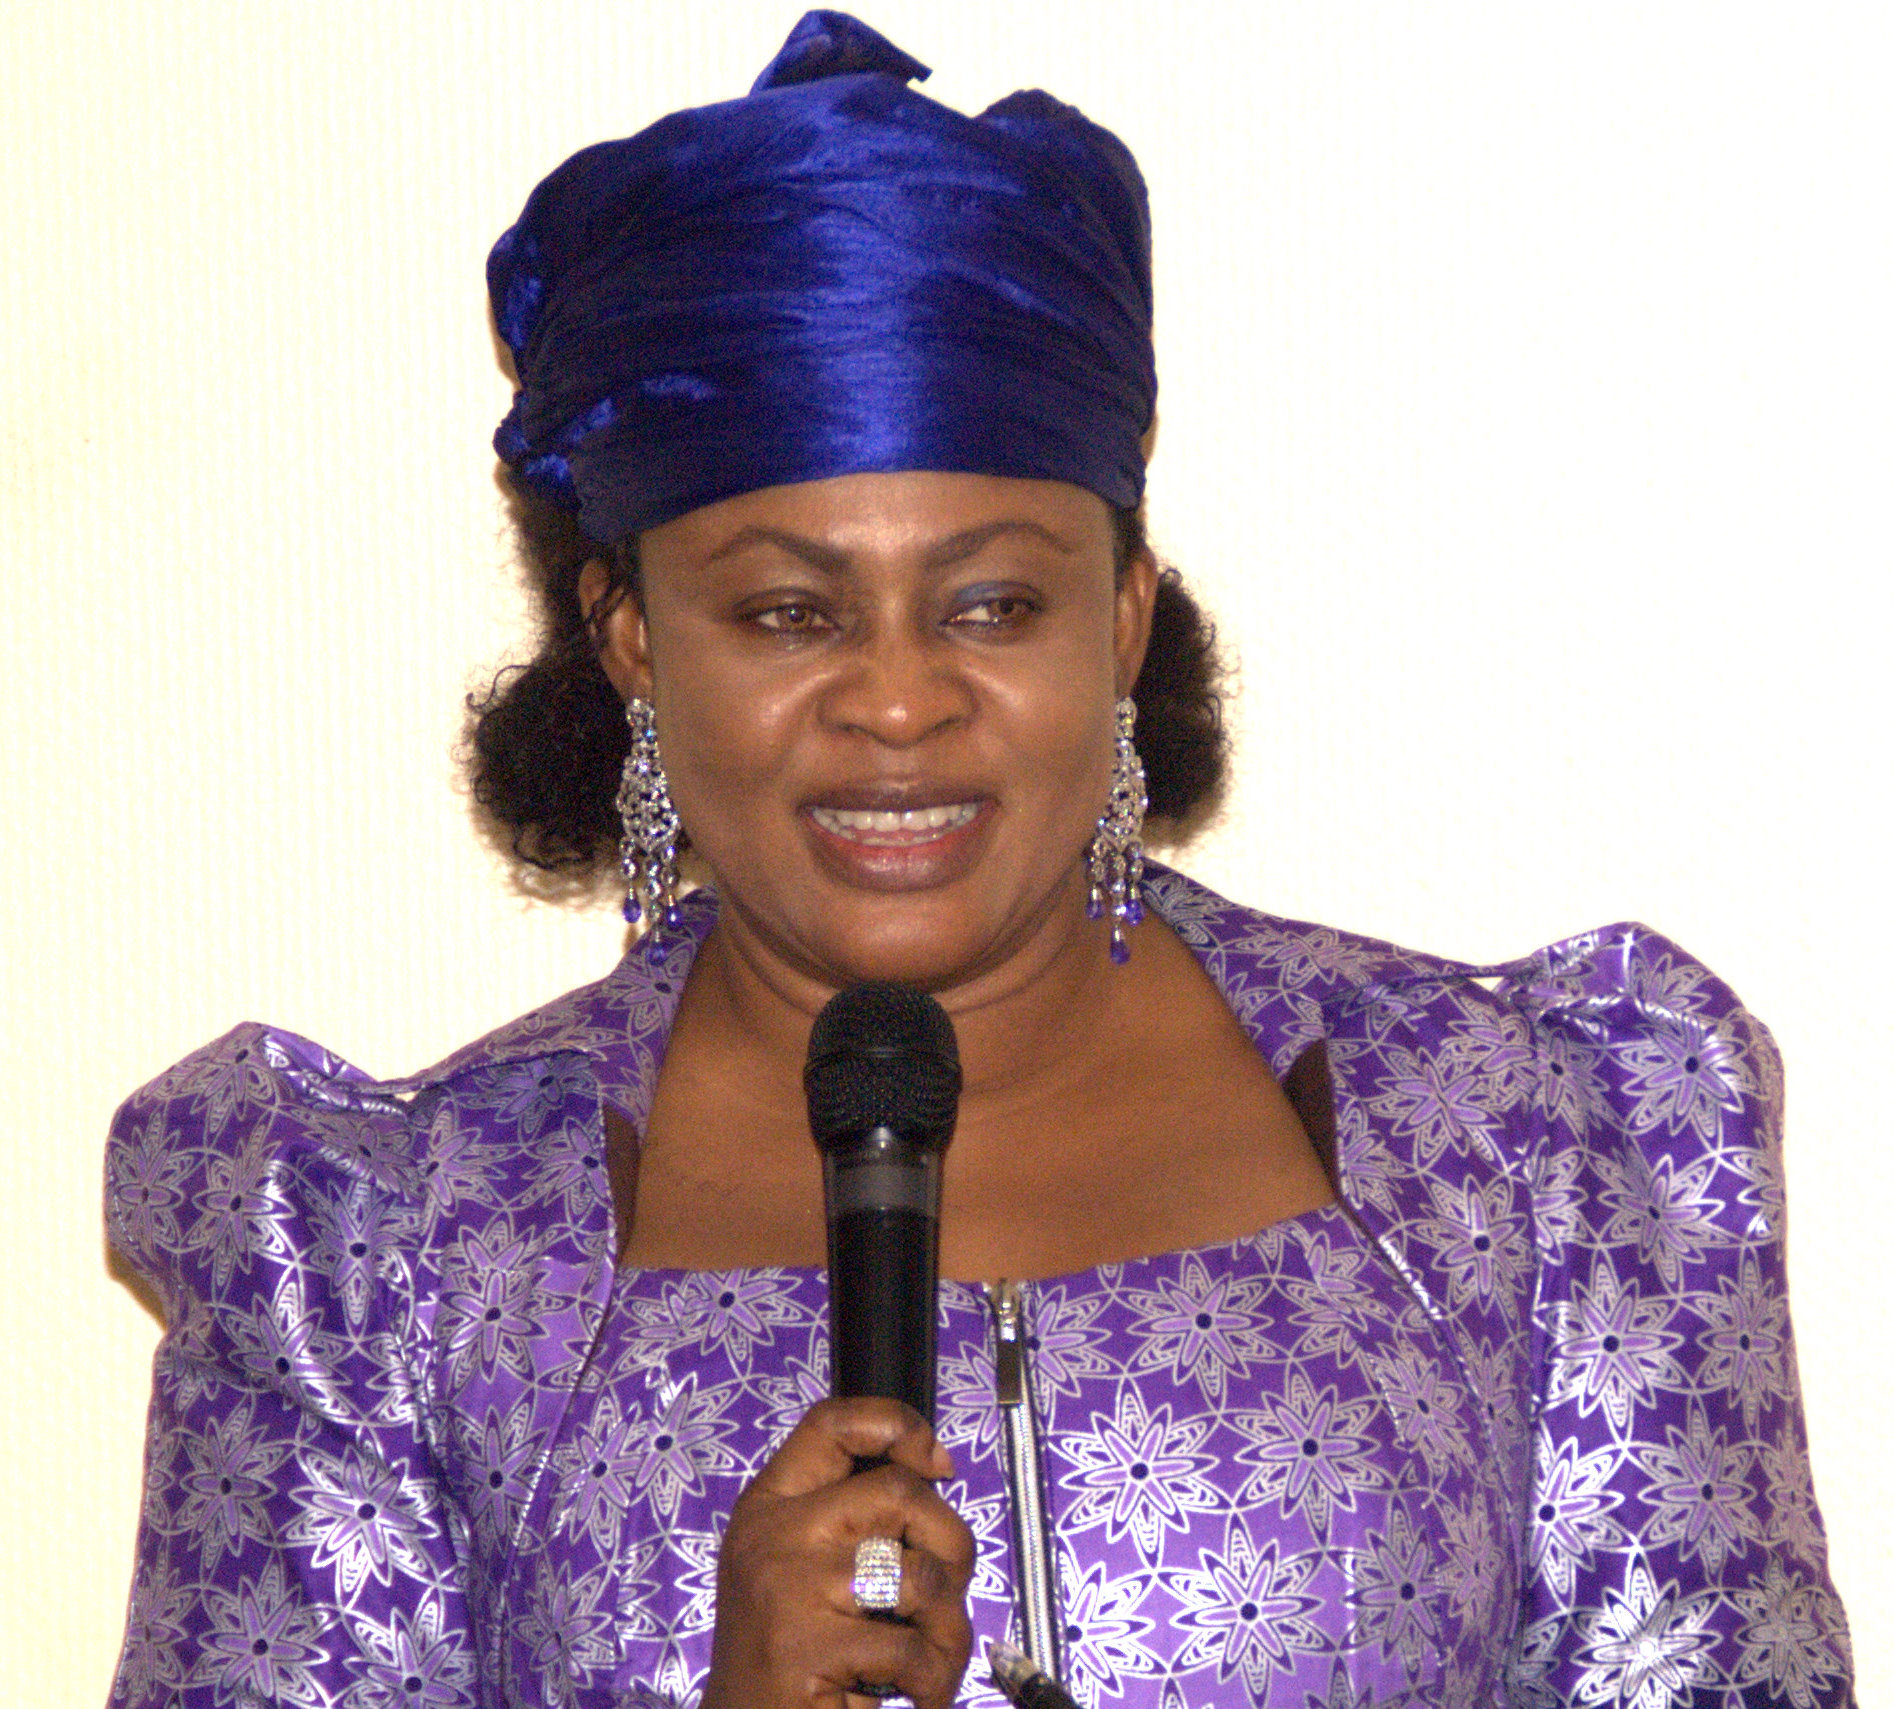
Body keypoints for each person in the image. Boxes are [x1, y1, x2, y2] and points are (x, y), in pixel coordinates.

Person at [105, 13, 1854, 1708]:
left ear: (1122, 619)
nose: (896, 700)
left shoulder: (1520, 1143)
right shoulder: (384, 1259)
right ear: (632, 641)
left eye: (994, 603)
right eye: (787, 612)